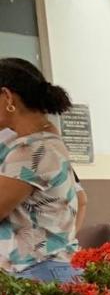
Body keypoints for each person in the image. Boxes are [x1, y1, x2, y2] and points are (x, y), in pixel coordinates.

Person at [0, 58, 82, 283]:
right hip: (49, 268)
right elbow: (81, 199)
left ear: (7, 97)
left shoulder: (32, 150)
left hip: (37, 273)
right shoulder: (44, 141)